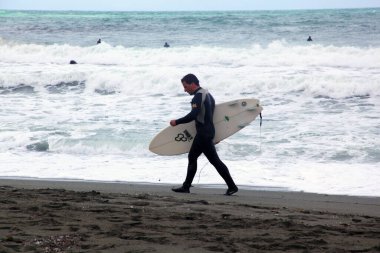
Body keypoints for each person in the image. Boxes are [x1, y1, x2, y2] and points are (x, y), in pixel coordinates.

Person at [170, 74, 238, 195]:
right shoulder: (208, 95)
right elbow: (213, 117)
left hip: (203, 134)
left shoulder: (198, 96)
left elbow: (193, 115)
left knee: (206, 159)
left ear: (192, 83)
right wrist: (215, 136)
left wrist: (177, 122)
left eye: (185, 86)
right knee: (203, 159)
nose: (185, 90)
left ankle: (187, 187)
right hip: (208, 132)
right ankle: (231, 186)